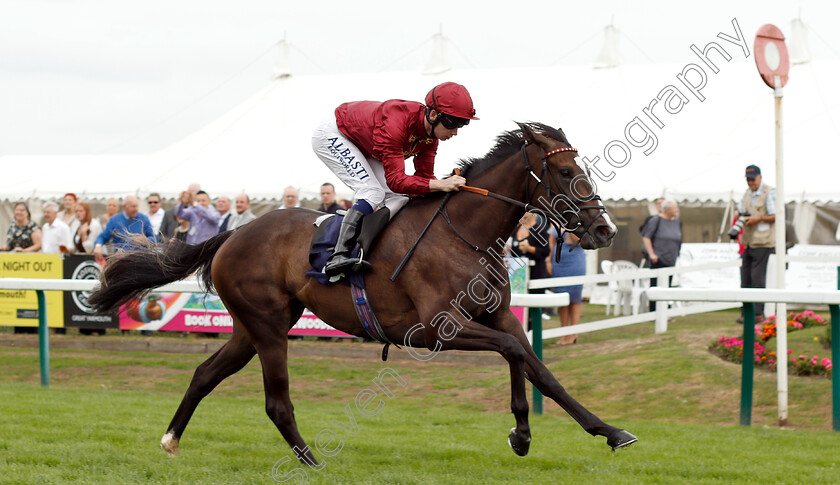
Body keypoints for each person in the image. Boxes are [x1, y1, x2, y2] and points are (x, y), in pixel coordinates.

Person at [311, 81, 476, 276]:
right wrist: (441, 184)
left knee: (396, 198)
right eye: (453, 123)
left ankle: (368, 250)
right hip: (334, 134)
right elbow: (396, 180)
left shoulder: (431, 137)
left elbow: (424, 179)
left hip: (364, 143)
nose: (455, 132)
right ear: (433, 115)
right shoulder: (396, 123)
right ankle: (338, 254)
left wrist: (442, 188)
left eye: (462, 124)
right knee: (372, 192)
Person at [736, 164, 775, 323]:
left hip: (763, 242)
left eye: (753, 178)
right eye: (748, 179)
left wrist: (757, 219)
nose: (750, 182)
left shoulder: (769, 192)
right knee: (745, 279)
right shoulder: (746, 194)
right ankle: (747, 313)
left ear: (760, 177)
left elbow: (776, 215)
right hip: (748, 242)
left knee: (757, 278)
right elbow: (739, 211)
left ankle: (758, 314)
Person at [641, 199, 683, 311]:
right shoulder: (656, 220)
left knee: (667, 287)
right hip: (658, 260)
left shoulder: (677, 222)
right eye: (675, 208)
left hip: (671, 259)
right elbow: (646, 237)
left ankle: (665, 312)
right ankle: (654, 313)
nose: (677, 210)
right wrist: (652, 254)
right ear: (668, 210)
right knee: (656, 287)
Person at [93, 195, 157, 260]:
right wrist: (98, 246)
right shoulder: (114, 220)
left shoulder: (144, 219)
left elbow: (154, 238)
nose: (136, 209)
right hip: (120, 260)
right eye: (133, 206)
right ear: (124, 207)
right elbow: (103, 237)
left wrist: (145, 240)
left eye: (137, 206)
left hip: (140, 260)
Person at [551, 230, 585, 345]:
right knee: (562, 298)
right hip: (559, 260)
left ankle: (573, 333)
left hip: (575, 259)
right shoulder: (555, 221)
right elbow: (551, 241)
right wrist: (548, 260)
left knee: (574, 297)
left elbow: (578, 240)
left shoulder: (576, 222)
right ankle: (563, 333)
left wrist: (570, 227)